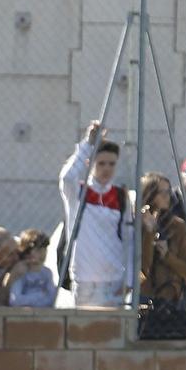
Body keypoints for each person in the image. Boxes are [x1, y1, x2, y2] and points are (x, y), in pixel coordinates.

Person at [58, 121, 134, 308]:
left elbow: (128, 239)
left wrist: (130, 280)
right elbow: (67, 177)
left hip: (114, 279)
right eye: (101, 163)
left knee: (112, 333)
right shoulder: (78, 193)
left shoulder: (120, 196)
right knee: (83, 333)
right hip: (84, 279)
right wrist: (88, 143)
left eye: (111, 164)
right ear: (89, 163)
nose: (106, 169)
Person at [138, 173, 186, 331]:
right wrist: (149, 233)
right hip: (144, 299)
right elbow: (142, 271)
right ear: (150, 194)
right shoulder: (136, 223)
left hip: (172, 299)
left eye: (168, 191)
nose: (167, 196)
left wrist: (167, 256)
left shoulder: (178, 226)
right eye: (162, 192)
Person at [8, 230, 57, 308]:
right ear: (27, 251)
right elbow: (15, 300)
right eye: (38, 250)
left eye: (45, 249)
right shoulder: (21, 271)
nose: (43, 253)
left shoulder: (47, 273)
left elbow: (51, 299)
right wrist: (40, 295)